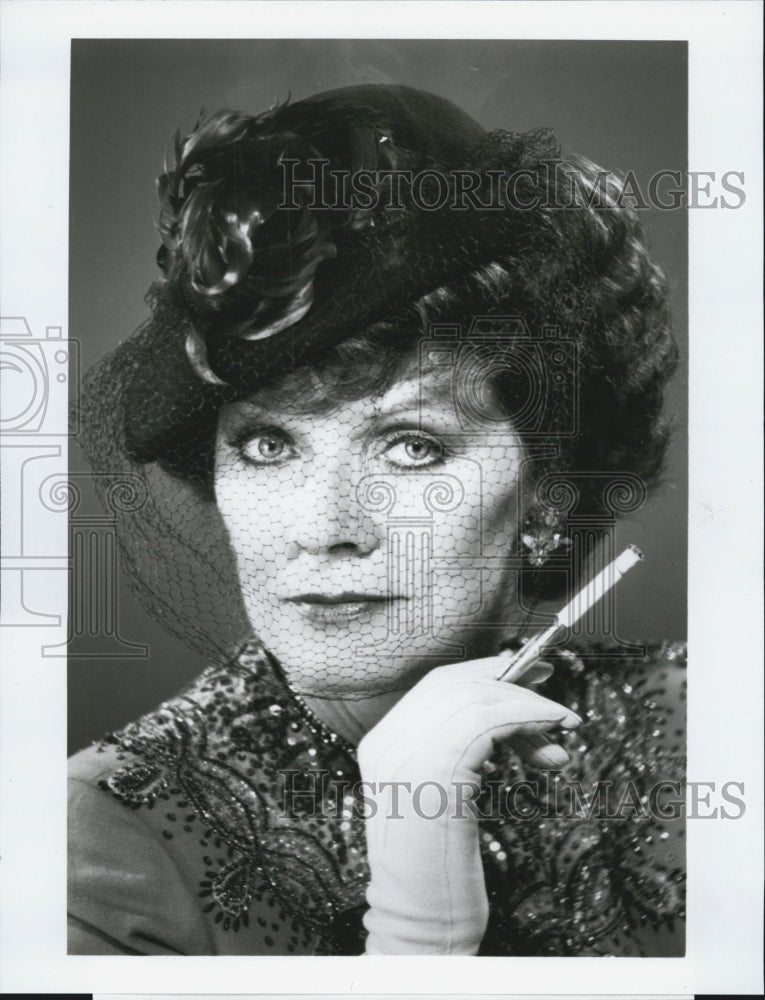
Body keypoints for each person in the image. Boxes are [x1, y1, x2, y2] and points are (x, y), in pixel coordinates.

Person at [68, 84, 686, 956]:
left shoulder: (701, 719)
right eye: (269, 446)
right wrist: (420, 934)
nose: (323, 529)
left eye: (411, 448)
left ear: (547, 485)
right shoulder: (101, 840)